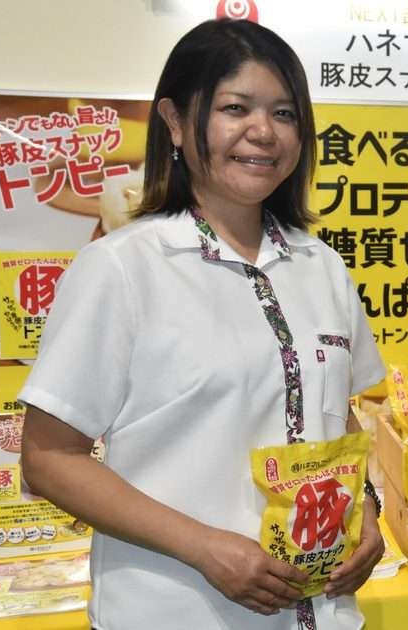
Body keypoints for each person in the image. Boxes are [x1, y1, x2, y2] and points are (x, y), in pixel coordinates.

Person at [19, 19, 386, 629]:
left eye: (284, 114)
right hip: (180, 609)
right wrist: (204, 548)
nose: (262, 132)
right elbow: (49, 457)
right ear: (175, 121)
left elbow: (333, 410)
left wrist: (367, 507)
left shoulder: (320, 265)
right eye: (234, 108)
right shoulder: (122, 267)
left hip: (322, 612)